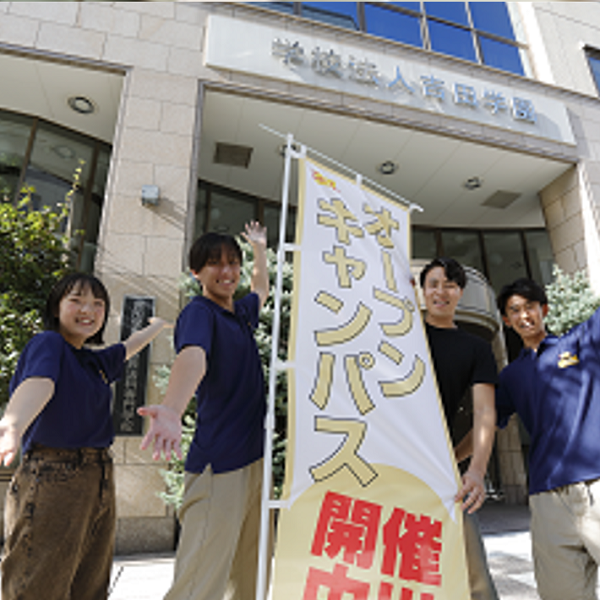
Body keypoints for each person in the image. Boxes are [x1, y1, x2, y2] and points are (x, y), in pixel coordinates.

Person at [0, 272, 171, 600]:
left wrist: (156, 327)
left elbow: (128, 347)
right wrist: (12, 425)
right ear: (56, 307)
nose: (88, 310)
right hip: (54, 476)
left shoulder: (93, 362)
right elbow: (40, 382)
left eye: (97, 304)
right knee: (38, 587)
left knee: (90, 587)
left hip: (98, 476)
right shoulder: (48, 344)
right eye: (76, 300)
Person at [138, 221, 269, 600]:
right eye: (215, 263)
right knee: (199, 581)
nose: (226, 271)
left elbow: (261, 289)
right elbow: (192, 357)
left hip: (253, 460)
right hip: (220, 466)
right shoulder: (200, 313)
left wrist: (258, 247)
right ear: (196, 272)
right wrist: (173, 409)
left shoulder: (240, 313)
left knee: (248, 577)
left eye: (233, 262)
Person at [496, 277, 600, 600]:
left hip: (595, 485)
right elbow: (487, 425)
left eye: (529, 306)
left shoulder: (582, 342)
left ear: (544, 309)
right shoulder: (510, 376)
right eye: (515, 310)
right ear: (505, 319)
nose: (524, 315)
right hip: (546, 500)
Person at [419, 258, 499, 600]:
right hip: (387, 464)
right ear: (421, 291)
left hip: (442, 471)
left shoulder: (476, 348)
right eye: (433, 284)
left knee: (473, 572)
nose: (441, 291)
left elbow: (484, 411)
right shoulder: (401, 333)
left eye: (449, 285)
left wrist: (476, 470)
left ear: (460, 293)